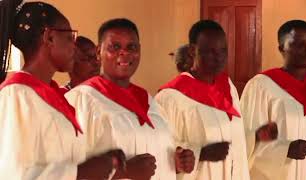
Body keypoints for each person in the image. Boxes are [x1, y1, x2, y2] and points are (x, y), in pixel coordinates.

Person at [0, 1, 123, 179]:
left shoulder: (51, 96)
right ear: (49, 37)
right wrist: (82, 173)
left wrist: (103, 160)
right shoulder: (16, 96)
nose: (75, 46)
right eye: (69, 37)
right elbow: (13, 174)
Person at [66, 18, 195, 180]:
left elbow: (155, 154)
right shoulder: (81, 100)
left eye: (131, 47)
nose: (124, 53)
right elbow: (65, 172)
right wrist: (123, 172)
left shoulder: (149, 101)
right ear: (98, 52)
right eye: (115, 47)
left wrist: (175, 162)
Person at [155, 20, 250, 180]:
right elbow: (159, 153)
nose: (219, 57)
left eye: (223, 51)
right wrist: (201, 153)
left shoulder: (228, 86)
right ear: (193, 51)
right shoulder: (170, 97)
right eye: (211, 51)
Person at [240, 19, 306, 180]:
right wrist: (284, 150)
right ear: (282, 48)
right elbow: (245, 138)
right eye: (299, 44)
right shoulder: (261, 86)